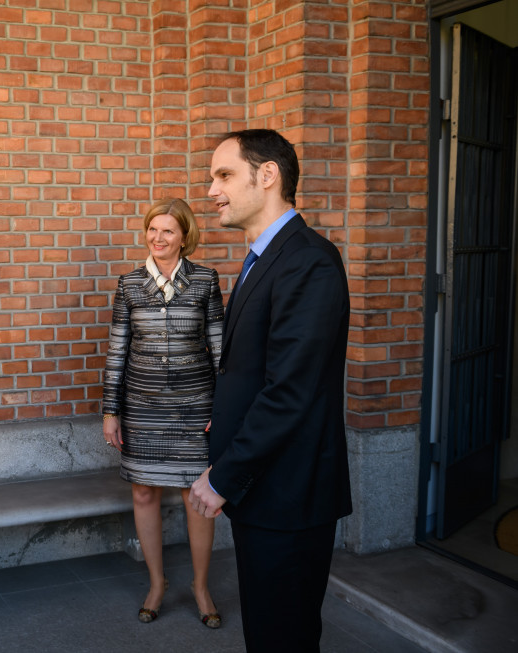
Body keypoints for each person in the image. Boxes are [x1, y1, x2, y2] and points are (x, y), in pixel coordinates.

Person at [190, 129, 351, 652]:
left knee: (284, 636)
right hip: (265, 489)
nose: (212, 189)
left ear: (267, 175)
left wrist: (224, 476)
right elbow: (251, 372)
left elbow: (290, 392)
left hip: (289, 492)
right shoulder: (265, 257)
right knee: (267, 631)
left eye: (224, 175)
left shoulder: (309, 260)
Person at [102, 198, 224, 629]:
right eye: (153, 230)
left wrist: (224, 409)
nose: (158, 238)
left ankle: (201, 586)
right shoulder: (129, 284)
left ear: (185, 236)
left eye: (168, 231)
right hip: (141, 408)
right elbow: (118, 350)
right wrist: (110, 410)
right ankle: (156, 583)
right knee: (143, 493)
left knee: (200, 499)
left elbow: (221, 350)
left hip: (195, 409)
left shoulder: (206, 281)